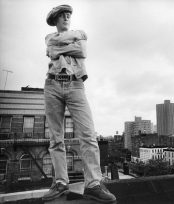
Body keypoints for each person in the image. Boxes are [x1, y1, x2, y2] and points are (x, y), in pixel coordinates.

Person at [42, 5, 116, 203]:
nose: (67, 17)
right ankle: (60, 183)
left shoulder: (79, 35)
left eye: (69, 15)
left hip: (75, 84)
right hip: (52, 85)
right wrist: (70, 45)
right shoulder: (50, 37)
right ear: (55, 19)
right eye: (62, 15)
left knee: (88, 134)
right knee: (56, 138)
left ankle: (93, 184)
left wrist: (60, 49)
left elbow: (82, 50)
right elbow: (51, 49)